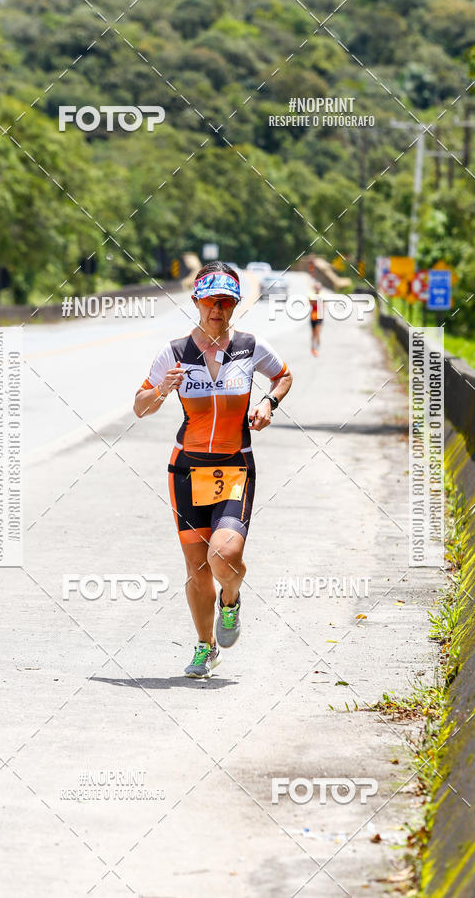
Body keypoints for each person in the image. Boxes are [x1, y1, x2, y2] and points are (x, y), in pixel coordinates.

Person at [134, 261, 292, 678]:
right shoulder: (175, 352)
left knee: (225, 554)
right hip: (186, 470)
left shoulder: (250, 346)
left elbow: (283, 376)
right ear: (196, 302)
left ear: (235, 304)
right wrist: (162, 390)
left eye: (225, 302)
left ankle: (231, 601)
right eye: (210, 302)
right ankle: (205, 647)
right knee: (197, 567)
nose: (217, 310)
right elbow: (140, 406)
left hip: (235, 466)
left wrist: (267, 404)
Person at [309, 281, 324, 356]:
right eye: (316, 287)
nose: (317, 289)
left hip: (320, 316)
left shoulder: (322, 296)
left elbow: (324, 305)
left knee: (317, 332)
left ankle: (317, 348)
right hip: (313, 316)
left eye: (318, 288)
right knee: (313, 333)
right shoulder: (312, 295)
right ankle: (313, 346)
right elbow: (310, 303)